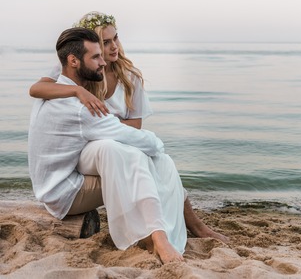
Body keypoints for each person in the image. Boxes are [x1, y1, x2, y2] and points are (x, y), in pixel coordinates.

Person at [29, 27, 190, 263]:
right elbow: (143, 141)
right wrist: (157, 146)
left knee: (118, 151)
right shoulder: (81, 107)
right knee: (141, 158)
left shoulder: (59, 92)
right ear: (73, 61)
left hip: (56, 183)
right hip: (66, 195)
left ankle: (154, 234)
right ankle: (159, 237)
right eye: (95, 57)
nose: (103, 63)